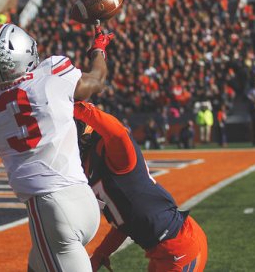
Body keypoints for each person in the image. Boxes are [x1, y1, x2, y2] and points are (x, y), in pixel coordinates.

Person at [0, 23, 114, 271]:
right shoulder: (53, 73)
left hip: (50, 211)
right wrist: (98, 49)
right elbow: (97, 80)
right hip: (81, 198)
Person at [74, 101, 208, 272]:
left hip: (180, 246)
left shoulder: (113, 153)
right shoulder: (88, 165)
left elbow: (118, 133)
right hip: (161, 249)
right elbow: (125, 222)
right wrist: (101, 253)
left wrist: (77, 107)